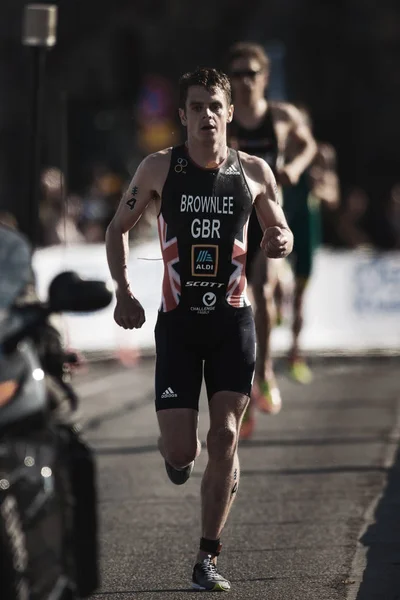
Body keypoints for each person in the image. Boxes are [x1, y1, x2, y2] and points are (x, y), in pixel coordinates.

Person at [105, 67, 293, 592]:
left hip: (234, 320)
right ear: (181, 115)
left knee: (226, 437)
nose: (206, 115)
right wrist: (124, 290)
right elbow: (117, 228)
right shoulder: (159, 168)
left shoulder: (254, 170)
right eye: (195, 106)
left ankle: (207, 557)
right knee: (182, 451)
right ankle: (181, 459)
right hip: (179, 327)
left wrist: (282, 240)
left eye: (215, 105)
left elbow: (280, 228)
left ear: (230, 113)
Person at [226, 42, 317, 436]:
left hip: (266, 216)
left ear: (264, 76)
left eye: (251, 73)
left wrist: (294, 166)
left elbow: (308, 142)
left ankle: (263, 372)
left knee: (262, 292)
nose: (244, 81)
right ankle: (237, 389)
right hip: (231, 218)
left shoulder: (280, 116)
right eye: (237, 74)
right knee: (233, 303)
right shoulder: (224, 120)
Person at [280, 110, 340, 384]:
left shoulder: (320, 155)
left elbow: (333, 198)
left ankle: (295, 353)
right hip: (279, 227)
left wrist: (319, 188)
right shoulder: (277, 152)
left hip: (306, 231)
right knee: (276, 284)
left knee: (300, 299)